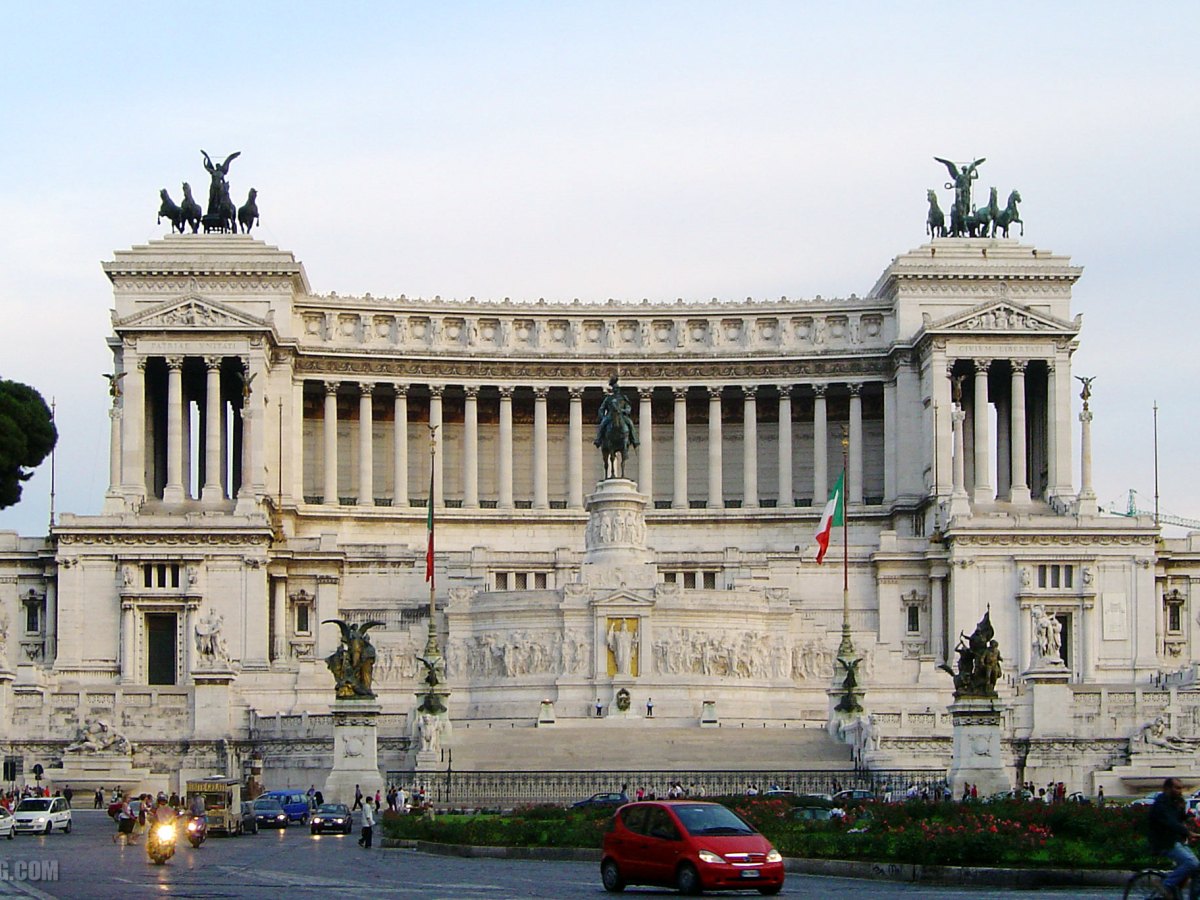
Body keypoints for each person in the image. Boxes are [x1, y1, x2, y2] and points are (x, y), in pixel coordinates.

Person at [1148, 778, 1199, 900]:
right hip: (1164, 843)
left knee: (1197, 869)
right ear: (1167, 789)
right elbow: (1171, 822)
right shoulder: (1161, 804)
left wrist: (1190, 821)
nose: (1180, 791)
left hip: (1175, 841)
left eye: (1181, 788)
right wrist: (1188, 833)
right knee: (1192, 863)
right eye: (1177, 788)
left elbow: (1182, 818)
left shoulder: (1176, 802)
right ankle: (1165, 886)